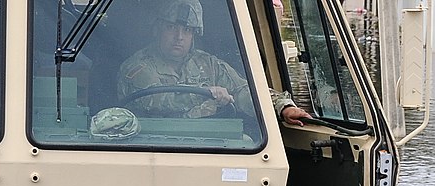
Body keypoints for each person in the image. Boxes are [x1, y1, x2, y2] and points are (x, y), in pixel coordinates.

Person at [117, 0, 310, 125]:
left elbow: (244, 90)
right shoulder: (137, 66)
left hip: (209, 145)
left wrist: (283, 106)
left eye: (187, 31)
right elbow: (156, 103)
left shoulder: (207, 63)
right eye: (171, 27)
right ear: (157, 29)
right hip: (149, 146)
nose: (179, 37)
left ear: (194, 34)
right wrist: (209, 94)